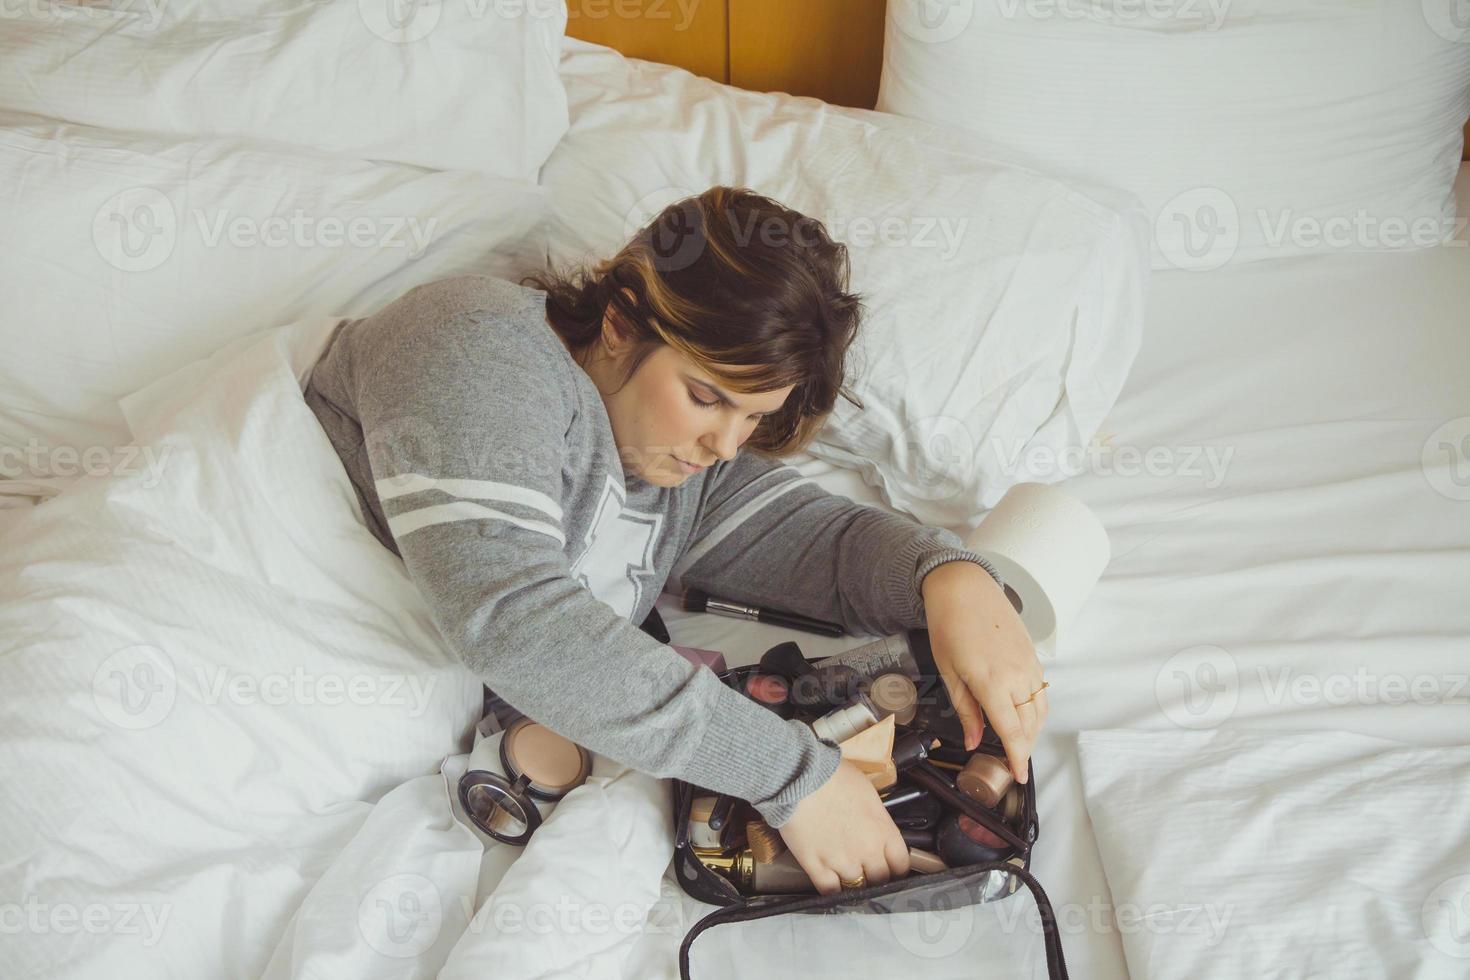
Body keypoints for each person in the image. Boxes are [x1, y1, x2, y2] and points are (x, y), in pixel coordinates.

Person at [302, 186, 1046, 896]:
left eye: (753, 417)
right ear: (622, 321)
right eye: (705, 397)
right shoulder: (476, 341)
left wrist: (949, 576)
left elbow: (833, 547)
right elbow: (514, 620)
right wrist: (793, 775)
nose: (725, 444)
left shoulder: (683, 466)